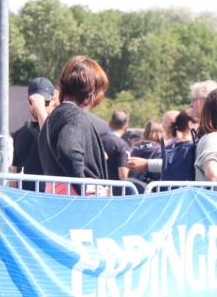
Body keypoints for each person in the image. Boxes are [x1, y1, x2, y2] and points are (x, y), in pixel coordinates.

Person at [37, 56, 110, 195]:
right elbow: (68, 150)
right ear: (92, 91)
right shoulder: (74, 116)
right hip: (77, 200)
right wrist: (83, 186)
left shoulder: (53, 117)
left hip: (58, 197)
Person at [11, 77, 57, 190]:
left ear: (53, 101)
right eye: (34, 102)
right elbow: (15, 173)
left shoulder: (59, 130)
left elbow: (50, 137)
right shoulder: (19, 134)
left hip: (50, 196)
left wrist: (40, 110)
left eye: (45, 102)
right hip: (25, 197)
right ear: (28, 99)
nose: (38, 106)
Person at [100, 110, 131, 192]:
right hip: (112, 191)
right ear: (126, 126)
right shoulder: (122, 145)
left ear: (110, 124)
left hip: (93, 187)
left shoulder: (97, 139)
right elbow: (123, 175)